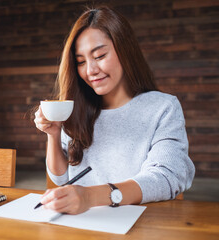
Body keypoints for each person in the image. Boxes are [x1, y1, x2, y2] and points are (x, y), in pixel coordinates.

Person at [34, 6, 195, 215]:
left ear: (124, 49)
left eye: (99, 55)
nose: (90, 71)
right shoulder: (77, 108)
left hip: (141, 224)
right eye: (81, 62)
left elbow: (166, 177)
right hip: (82, 224)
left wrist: (90, 197)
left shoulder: (162, 108)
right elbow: (61, 179)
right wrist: (54, 135)